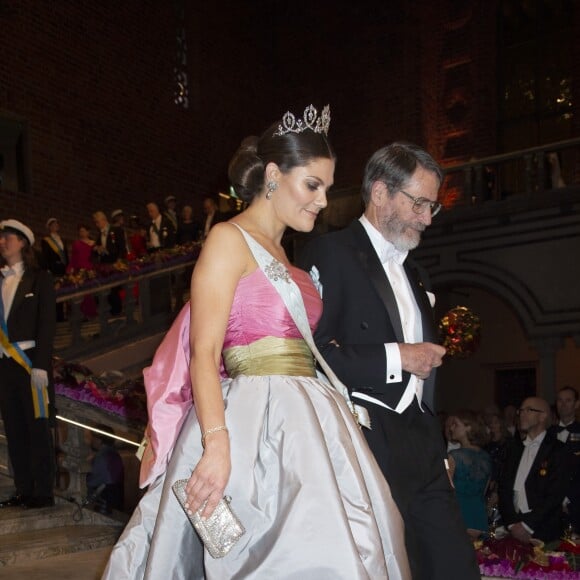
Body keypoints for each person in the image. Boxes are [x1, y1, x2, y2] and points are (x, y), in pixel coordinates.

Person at [103, 105, 410, 579]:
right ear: (272, 174)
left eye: (326, 188)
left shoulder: (287, 254)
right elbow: (203, 355)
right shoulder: (228, 239)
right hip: (250, 422)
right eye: (313, 185)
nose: (323, 201)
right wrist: (217, 445)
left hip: (308, 421)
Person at [299, 142, 480, 579]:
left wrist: (435, 445)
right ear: (379, 193)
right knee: (389, 567)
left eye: (431, 207)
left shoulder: (417, 273)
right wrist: (399, 356)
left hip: (420, 440)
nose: (426, 217)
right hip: (365, 436)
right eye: (419, 203)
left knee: (455, 566)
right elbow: (314, 353)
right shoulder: (331, 253)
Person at [0, 219, 57, 509]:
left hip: (29, 364)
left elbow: (47, 324)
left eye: (8, 237)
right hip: (4, 366)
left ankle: (43, 492)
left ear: (23, 242)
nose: (2, 242)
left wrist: (42, 365)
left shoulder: (39, 278)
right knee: (14, 428)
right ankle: (23, 489)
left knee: (37, 428)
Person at [498, 396, 570, 543]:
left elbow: (555, 494)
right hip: (514, 526)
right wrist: (512, 524)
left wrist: (527, 525)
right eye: (521, 410)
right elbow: (504, 488)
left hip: (543, 527)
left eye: (529, 410)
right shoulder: (513, 448)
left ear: (542, 416)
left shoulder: (557, 450)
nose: (522, 414)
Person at [448, 410, 492, 532]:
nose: (451, 428)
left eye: (455, 424)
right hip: (479, 515)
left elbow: (446, 492)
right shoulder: (487, 457)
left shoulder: (452, 456)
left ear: (468, 428)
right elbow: (484, 491)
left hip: (458, 515)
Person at [85, 424, 125, 514]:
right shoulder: (115, 454)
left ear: (99, 440)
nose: (91, 441)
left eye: (93, 438)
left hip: (104, 499)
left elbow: (93, 481)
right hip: (117, 495)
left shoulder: (101, 457)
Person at [41, 217, 68, 321]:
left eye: (57, 224)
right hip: (54, 269)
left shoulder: (62, 240)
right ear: (49, 227)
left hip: (63, 269)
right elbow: (46, 256)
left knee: (63, 291)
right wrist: (48, 269)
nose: (56, 226)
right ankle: (55, 317)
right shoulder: (47, 240)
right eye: (53, 224)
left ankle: (62, 316)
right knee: (55, 293)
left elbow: (65, 255)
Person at [68, 224, 97, 319]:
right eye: (80, 231)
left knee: (90, 293)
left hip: (90, 270)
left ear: (88, 232)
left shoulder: (93, 244)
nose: (82, 233)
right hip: (80, 271)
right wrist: (71, 269)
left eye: (84, 231)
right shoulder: (76, 244)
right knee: (83, 294)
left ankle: (91, 313)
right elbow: (74, 258)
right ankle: (83, 314)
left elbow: (95, 258)